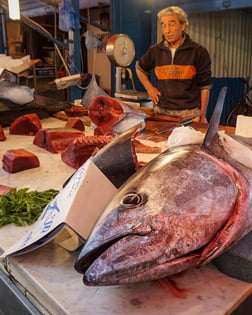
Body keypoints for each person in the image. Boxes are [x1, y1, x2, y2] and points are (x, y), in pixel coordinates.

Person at [135, 6, 211, 123]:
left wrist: (202, 115)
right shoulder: (155, 51)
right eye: (163, 25)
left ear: (183, 25)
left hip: (189, 116)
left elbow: (204, 87)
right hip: (161, 114)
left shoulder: (198, 51)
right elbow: (139, 68)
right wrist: (150, 89)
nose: (167, 30)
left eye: (171, 24)